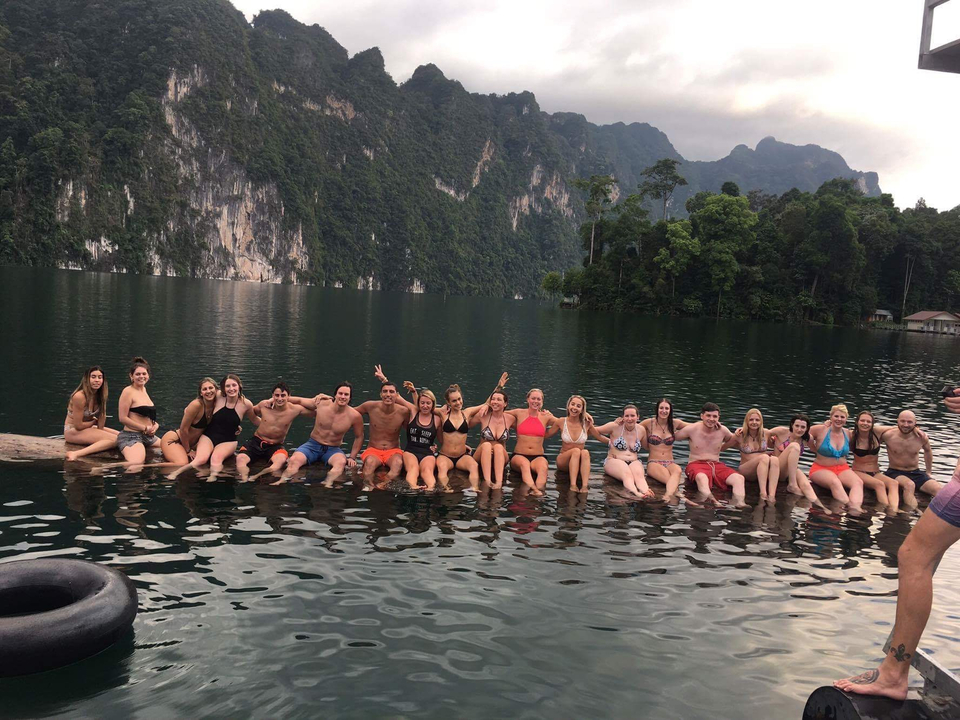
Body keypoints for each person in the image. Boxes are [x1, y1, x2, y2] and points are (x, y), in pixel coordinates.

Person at [833, 392, 960, 700]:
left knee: (914, 556)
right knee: (913, 555)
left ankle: (893, 675)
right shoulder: (888, 432)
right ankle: (893, 672)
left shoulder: (920, 437)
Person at [168, 374, 257, 481]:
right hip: (209, 436)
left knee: (216, 459)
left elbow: (255, 419)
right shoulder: (218, 396)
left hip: (228, 440)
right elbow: (201, 399)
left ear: (239, 386)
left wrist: (270, 419)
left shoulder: (246, 404)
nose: (231, 389)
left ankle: (212, 477)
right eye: (228, 386)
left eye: (234, 385)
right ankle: (177, 472)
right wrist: (188, 409)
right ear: (223, 388)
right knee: (200, 460)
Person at [277, 381, 364, 484]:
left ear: (350, 398)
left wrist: (352, 457)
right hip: (312, 445)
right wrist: (277, 399)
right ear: (335, 395)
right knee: (293, 460)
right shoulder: (322, 403)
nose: (343, 397)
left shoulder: (354, 416)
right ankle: (281, 481)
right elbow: (300, 400)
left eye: (346, 394)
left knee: (340, 463)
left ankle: (328, 483)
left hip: (333, 449)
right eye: (340, 393)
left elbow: (359, 436)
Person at [236, 382, 314, 481]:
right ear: (273, 396)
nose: (279, 398)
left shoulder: (295, 409)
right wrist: (237, 424)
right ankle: (244, 478)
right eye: (277, 395)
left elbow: (314, 412)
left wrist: (319, 398)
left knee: (280, 462)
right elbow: (249, 411)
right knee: (240, 459)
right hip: (256, 441)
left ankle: (257, 476)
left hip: (275, 445)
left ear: (288, 396)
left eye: (283, 395)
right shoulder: (264, 405)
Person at [675, 402, 746, 507]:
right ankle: (712, 500)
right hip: (696, 464)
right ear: (702, 416)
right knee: (702, 478)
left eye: (714, 416)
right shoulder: (692, 429)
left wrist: (738, 434)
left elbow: (735, 441)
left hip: (716, 465)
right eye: (708, 415)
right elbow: (671, 437)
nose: (711, 419)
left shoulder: (722, 430)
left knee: (739, 479)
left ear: (718, 418)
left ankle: (740, 503)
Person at [356, 365, 414, 485]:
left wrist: (427, 444)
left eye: (391, 392)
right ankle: (369, 486)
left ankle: (382, 484)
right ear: (380, 394)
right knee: (370, 464)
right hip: (373, 449)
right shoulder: (370, 406)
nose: (388, 394)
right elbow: (350, 412)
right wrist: (329, 404)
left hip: (393, 450)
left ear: (396, 395)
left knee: (398, 464)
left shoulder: (403, 411)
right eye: (385, 392)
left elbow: (413, 428)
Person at [500, 387, 559, 497]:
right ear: (527, 399)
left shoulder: (546, 417)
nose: (535, 401)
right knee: (525, 464)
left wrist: (585, 415)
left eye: (538, 399)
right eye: (533, 398)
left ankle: (538, 490)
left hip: (538, 456)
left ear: (542, 402)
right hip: (519, 456)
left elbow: (565, 423)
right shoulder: (519, 413)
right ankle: (535, 490)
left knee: (543, 468)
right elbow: (499, 410)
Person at [807, 404, 864, 512]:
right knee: (835, 482)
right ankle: (848, 506)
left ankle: (855, 508)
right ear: (831, 417)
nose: (839, 419)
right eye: (836, 416)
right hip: (821, 468)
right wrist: (812, 447)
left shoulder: (848, 433)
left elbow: (870, 431)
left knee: (858, 482)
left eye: (842, 417)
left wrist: (896, 427)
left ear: (846, 419)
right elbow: (800, 432)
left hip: (843, 468)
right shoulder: (820, 429)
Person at [548, 394, 607, 493]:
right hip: (564, 460)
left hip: (579, 462)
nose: (574, 408)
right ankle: (573, 485)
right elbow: (546, 435)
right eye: (573, 404)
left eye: (578, 406)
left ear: (582, 409)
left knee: (585, 452)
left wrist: (615, 443)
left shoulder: (587, 423)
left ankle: (584, 486)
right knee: (576, 451)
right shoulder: (561, 421)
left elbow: (599, 437)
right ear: (568, 406)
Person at [434, 384, 485, 492]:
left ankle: (475, 487)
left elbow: (487, 403)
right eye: (454, 401)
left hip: (462, 456)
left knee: (474, 466)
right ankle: (446, 487)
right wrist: (414, 393)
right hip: (445, 455)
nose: (458, 403)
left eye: (459, 399)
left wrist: (499, 387)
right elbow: (423, 407)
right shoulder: (443, 414)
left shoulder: (467, 413)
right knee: (442, 468)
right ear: (448, 402)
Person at [883, 410, 939, 506]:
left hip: (916, 472)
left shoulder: (921, 437)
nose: (906, 425)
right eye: (902, 421)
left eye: (909, 422)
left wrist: (928, 471)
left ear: (915, 423)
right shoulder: (888, 435)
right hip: (895, 472)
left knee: (940, 490)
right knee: (909, 485)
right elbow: (871, 435)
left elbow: (928, 451)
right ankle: (912, 513)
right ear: (897, 421)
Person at [595, 405, 653, 499]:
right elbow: (593, 430)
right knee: (627, 475)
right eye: (627, 416)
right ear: (623, 417)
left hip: (633, 461)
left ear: (638, 417)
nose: (629, 419)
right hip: (614, 460)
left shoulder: (641, 430)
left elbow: (647, 447)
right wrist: (607, 441)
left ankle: (646, 491)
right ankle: (636, 493)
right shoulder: (615, 426)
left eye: (632, 416)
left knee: (639, 476)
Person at [64, 366, 120, 461]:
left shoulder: (100, 394)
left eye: (100, 377)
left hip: (87, 428)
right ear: (86, 379)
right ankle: (75, 454)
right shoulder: (79, 396)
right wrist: (92, 423)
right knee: (115, 440)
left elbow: (101, 418)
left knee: (122, 437)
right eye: (93, 377)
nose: (97, 380)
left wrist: (99, 431)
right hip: (73, 431)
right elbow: (78, 426)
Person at [850, 411, 900, 512]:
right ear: (857, 422)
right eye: (862, 420)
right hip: (859, 471)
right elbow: (835, 430)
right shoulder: (851, 434)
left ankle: (894, 509)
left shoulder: (876, 432)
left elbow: (897, 427)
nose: (865, 423)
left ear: (872, 424)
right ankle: (885, 509)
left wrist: (916, 429)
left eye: (868, 421)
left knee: (894, 483)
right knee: (879, 485)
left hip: (875, 472)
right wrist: (828, 423)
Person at [640, 398, 688, 502]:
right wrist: (620, 422)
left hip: (670, 462)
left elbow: (696, 427)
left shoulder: (675, 423)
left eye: (667, 408)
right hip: (654, 462)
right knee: (669, 480)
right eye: (661, 408)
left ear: (670, 410)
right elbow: (631, 427)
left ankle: (669, 495)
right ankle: (672, 495)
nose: (664, 411)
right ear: (657, 409)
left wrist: (714, 424)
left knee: (678, 470)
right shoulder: (649, 423)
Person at [160, 377, 218, 466]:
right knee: (182, 463)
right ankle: (145, 466)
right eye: (204, 389)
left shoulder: (217, 405)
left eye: (211, 388)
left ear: (216, 389)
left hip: (193, 444)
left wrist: (235, 426)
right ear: (201, 393)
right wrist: (188, 450)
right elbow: (183, 429)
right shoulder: (196, 405)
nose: (208, 391)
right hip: (175, 440)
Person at [116, 357, 161, 469]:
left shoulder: (144, 390)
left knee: (173, 447)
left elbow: (146, 415)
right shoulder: (128, 392)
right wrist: (144, 428)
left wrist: (155, 425)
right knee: (136, 464)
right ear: (131, 376)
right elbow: (122, 418)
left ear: (148, 376)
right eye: (138, 374)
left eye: (144, 374)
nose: (141, 376)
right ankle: (103, 468)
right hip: (131, 436)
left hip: (148, 436)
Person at [728, 408, 780, 500]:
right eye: (751, 420)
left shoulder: (766, 433)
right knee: (764, 457)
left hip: (761, 469)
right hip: (746, 469)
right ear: (746, 421)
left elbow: (782, 436)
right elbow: (722, 447)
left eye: (757, 420)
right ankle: (763, 493)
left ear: (761, 422)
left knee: (774, 459)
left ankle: (772, 495)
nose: (754, 422)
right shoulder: (740, 435)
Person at [401, 387, 443, 492]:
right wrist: (384, 380)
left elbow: (442, 439)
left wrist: (462, 446)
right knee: (413, 469)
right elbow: (396, 397)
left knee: (427, 471)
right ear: (418, 403)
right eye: (422, 403)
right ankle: (413, 487)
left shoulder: (437, 419)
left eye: (428, 403)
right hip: (411, 450)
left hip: (427, 452)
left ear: (433, 404)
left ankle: (430, 489)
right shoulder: (413, 413)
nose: (425, 406)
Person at [475, 388, 515, 490]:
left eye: (499, 400)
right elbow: (463, 423)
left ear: (505, 403)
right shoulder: (483, 415)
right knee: (487, 445)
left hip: (501, 455)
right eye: (493, 399)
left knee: (498, 447)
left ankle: (498, 482)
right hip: (482, 453)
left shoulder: (510, 419)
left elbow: (527, 422)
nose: (495, 402)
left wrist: (544, 413)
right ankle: (487, 481)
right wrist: (484, 405)